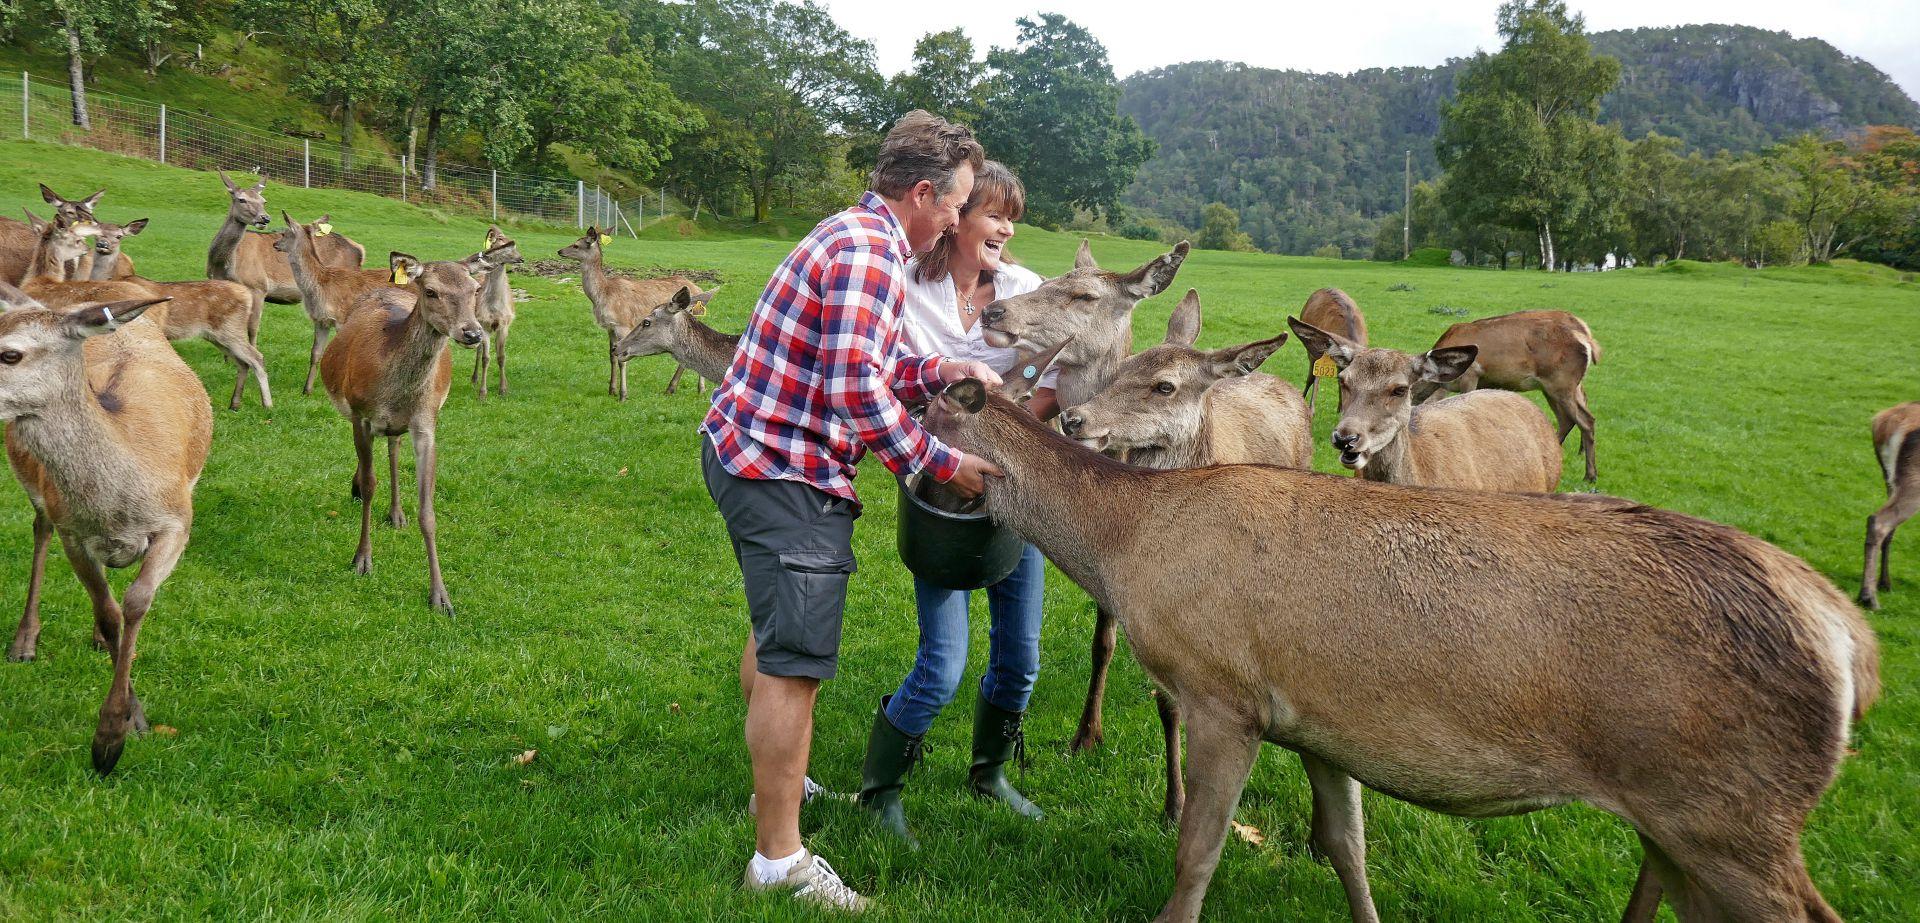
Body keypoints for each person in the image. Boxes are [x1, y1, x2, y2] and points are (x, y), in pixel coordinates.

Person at [699, 110, 1004, 912]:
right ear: (925, 192)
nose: (958, 219)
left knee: (773, 639)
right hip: (784, 469)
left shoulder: (857, 236)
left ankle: (784, 783)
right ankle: (780, 859)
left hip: (746, 450)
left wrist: (939, 367)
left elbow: (863, 357)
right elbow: (854, 392)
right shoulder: (873, 252)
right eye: (957, 202)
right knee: (794, 666)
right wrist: (939, 466)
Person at [858, 161, 1054, 844]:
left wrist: (1017, 411)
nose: (1005, 229)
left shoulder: (1028, 291)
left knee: (1021, 653)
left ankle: (989, 771)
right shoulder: (912, 286)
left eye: (1012, 219)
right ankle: (879, 789)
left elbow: (1051, 379)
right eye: (993, 214)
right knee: (942, 661)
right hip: (939, 484)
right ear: (958, 218)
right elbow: (884, 376)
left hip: (1017, 486)